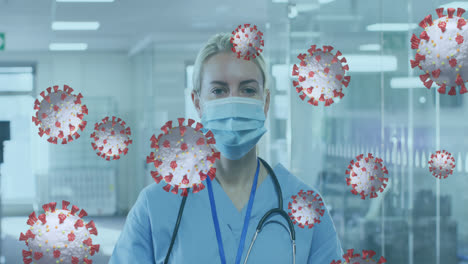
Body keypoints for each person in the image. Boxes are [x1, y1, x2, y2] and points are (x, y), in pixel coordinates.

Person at [109, 32, 343, 264]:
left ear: (266, 102)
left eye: (248, 90)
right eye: (219, 90)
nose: (233, 101)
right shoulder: (156, 205)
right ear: (198, 103)